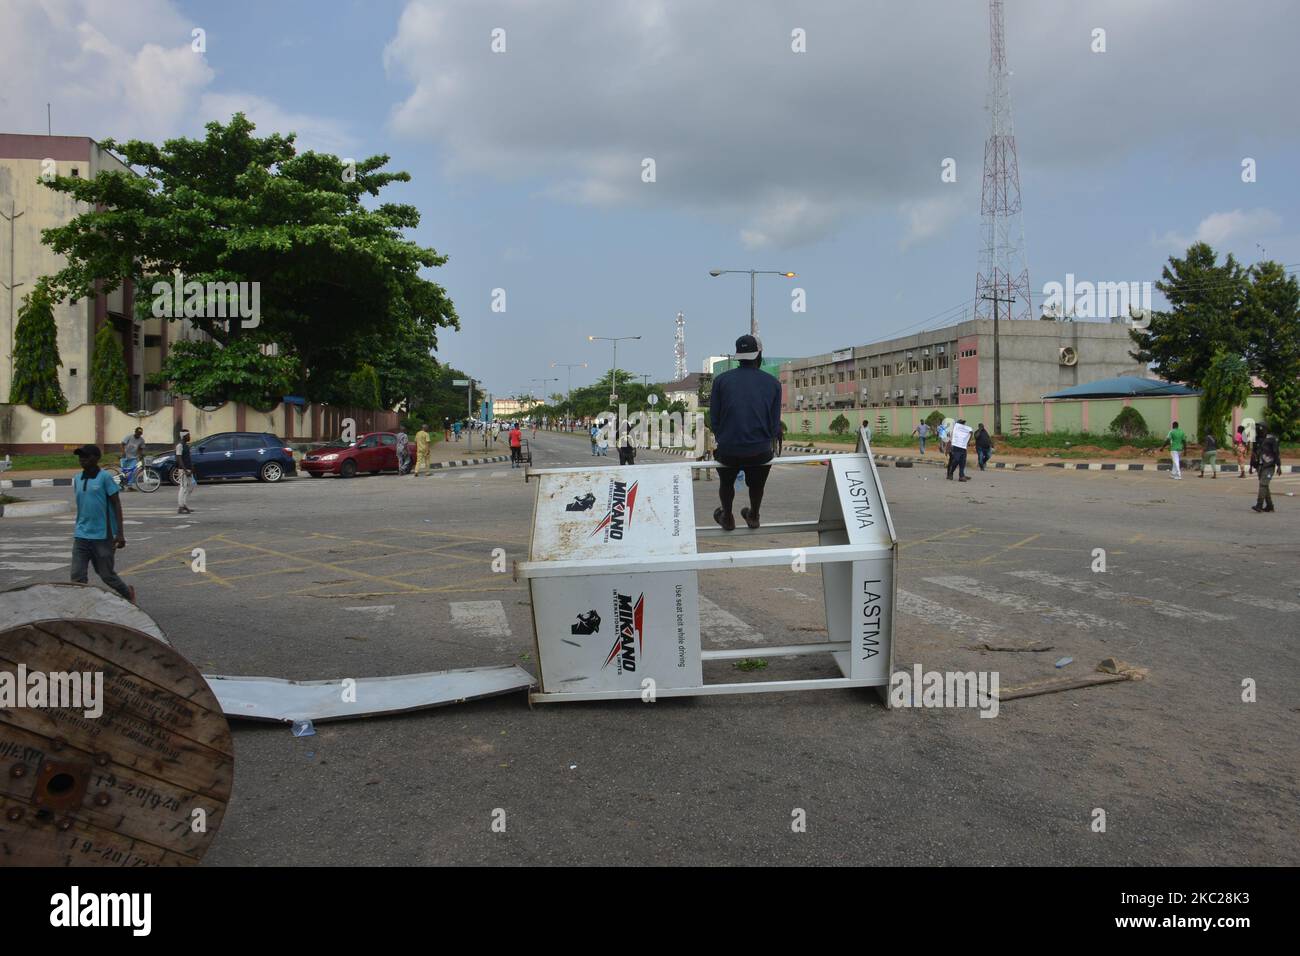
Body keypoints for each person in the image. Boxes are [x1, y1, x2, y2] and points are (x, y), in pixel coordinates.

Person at [709, 334, 781, 530]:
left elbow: (714, 419)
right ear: (759, 355)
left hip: (729, 450)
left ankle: (727, 517)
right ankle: (754, 515)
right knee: (757, 485)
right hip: (760, 452)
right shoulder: (773, 383)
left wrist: (725, 438)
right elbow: (775, 425)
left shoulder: (721, 381)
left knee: (726, 482)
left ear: (738, 356)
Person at [70, 445, 134, 603]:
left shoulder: (105, 478)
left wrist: (119, 533)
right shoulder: (77, 479)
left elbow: (116, 504)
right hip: (81, 534)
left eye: (86, 456)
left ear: (96, 458)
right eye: (80, 456)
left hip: (102, 536)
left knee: (106, 575)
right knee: (77, 576)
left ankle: (128, 593)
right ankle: (81, 606)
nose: (82, 459)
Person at [1252, 423, 1279, 513]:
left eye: (1260, 429)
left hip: (1269, 466)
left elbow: (1276, 453)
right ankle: (1270, 506)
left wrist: (1279, 466)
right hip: (1259, 466)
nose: (1258, 430)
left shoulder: (1272, 439)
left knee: (1263, 484)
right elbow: (1254, 453)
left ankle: (1259, 505)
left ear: (1265, 429)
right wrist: (1251, 465)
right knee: (1264, 485)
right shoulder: (1256, 439)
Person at [175, 428, 195, 514]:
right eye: (188, 435)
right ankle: (180, 507)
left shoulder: (186, 445)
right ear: (184, 436)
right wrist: (185, 470)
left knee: (191, 486)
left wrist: (191, 468)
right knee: (183, 487)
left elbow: (187, 458)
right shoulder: (180, 445)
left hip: (188, 469)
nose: (190, 436)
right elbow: (179, 458)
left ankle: (184, 504)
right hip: (184, 470)